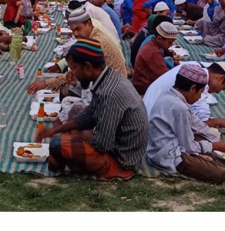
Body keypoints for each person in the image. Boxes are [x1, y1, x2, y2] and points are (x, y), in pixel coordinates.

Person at [35, 39, 148, 179]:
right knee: (76, 111)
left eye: (75, 68)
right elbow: (89, 114)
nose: (74, 73)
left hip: (121, 161)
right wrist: (55, 130)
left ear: (88, 67)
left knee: (57, 144)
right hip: (114, 144)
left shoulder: (110, 93)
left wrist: (80, 137)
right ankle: (67, 153)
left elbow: (102, 144)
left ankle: (62, 161)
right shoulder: (107, 78)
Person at [146, 64, 225, 184]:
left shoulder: (170, 93)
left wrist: (214, 140)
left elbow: (196, 124)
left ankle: (199, 157)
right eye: (201, 92)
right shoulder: (179, 107)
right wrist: (215, 146)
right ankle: (195, 160)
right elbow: (188, 146)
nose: (200, 97)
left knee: (206, 137)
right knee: (220, 173)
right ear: (192, 88)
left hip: (173, 143)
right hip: (167, 155)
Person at [26, 7, 127, 98]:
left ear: (89, 24)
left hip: (113, 89)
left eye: (78, 29)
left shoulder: (97, 41)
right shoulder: (93, 34)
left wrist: (47, 83)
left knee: (67, 93)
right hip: (109, 83)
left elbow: (80, 71)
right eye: (73, 31)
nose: (76, 34)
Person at [143, 62, 225, 127]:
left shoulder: (194, 66)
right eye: (222, 88)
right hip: (151, 122)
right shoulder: (200, 80)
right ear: (220, 78)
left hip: (147, 110)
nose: (218, 92)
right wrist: (219, 122)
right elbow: (202, 122)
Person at [132, 22, 178, 95]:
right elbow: (166, 76)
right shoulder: (153, 52)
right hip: (144, 90)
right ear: (159, 39)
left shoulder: (152, 44)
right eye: (169, 42)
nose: (171, 45)